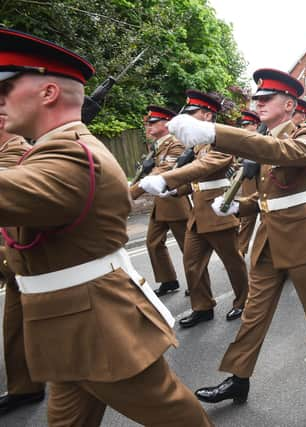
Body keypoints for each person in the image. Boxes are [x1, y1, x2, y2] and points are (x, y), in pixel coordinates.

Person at [0, 27, 211, 426]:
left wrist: (163, 178)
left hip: (97, 329)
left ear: (48, 94)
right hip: (66, 328)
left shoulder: (74, 156)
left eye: (6, 88)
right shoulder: (49, 151)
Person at [168, 68, 306, 404]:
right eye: (256, 98)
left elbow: (283, 153)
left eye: (266, 98)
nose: (257, 103)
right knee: (254, 313)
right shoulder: (262, 140)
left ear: (289, 104)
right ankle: (239, 377)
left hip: (300, 237)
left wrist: (213, 131)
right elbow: (265, 198)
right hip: (267, 239)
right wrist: (239, 208)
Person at [140, 90, 248, 326]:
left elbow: (204, 168)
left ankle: (243, 301)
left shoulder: (221, 142)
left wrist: (168, 178)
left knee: (232, 262)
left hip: (218, 213)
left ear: (208, 116)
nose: (188, 118)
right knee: (191, 263)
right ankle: (203, 307)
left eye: (194, 113)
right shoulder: (198, 146)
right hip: (197, 215)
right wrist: (175, 190)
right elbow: (195, 182)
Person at [0, 116, 46, 415]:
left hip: (17, 250)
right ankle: (24, 386)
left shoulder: (15, 151)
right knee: (14, 323)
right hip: (12, 252)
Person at [130, 105, 191, 296]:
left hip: (175, 203)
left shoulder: (176, 143)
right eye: (147, 123)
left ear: (166, 123)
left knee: (188, 248)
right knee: (153, 243)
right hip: (160, 205)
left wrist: (131, 192)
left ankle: (197, 282)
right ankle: (168, 280)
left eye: (152, 122)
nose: (148, 126)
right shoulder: (156, 146)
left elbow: (164, 170)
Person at [237, 110, 261, 256]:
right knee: (246, 219)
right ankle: (241, 250)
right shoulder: (243, 141)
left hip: (261, 183)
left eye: (247, 125)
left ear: (255, 125)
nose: (244, 128)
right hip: (248, 183)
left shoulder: (261, 139)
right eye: (243, 125)